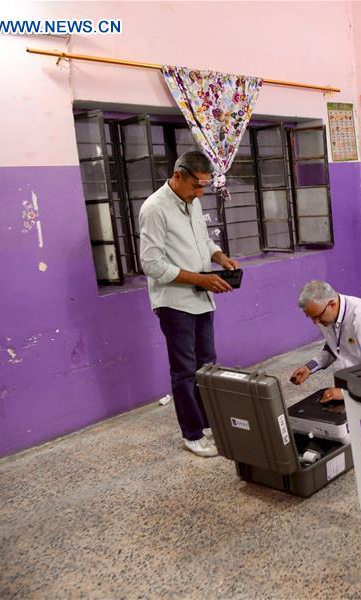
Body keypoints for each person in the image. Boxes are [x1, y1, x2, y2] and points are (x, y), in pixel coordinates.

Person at [139, 151, 239, 458]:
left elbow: (202, 241)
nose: (200, 194)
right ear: (178, 175)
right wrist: (199, 279)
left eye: (205, 187)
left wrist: (219, 257)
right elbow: (151, 264)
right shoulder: (155, 209)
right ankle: (192, 434)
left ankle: (208, 424)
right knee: (184, 371)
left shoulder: (192, 202)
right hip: (174, 302)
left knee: (207, 366)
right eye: (197, 186)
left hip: (202, 298)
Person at [290, 280, 361, 402]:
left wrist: (345, 393)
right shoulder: (324, 314)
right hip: (351, 380)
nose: (315, 322)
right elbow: (334, 347)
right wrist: (309, 367)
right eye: (311, 317)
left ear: (332, 305)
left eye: (317, 316)